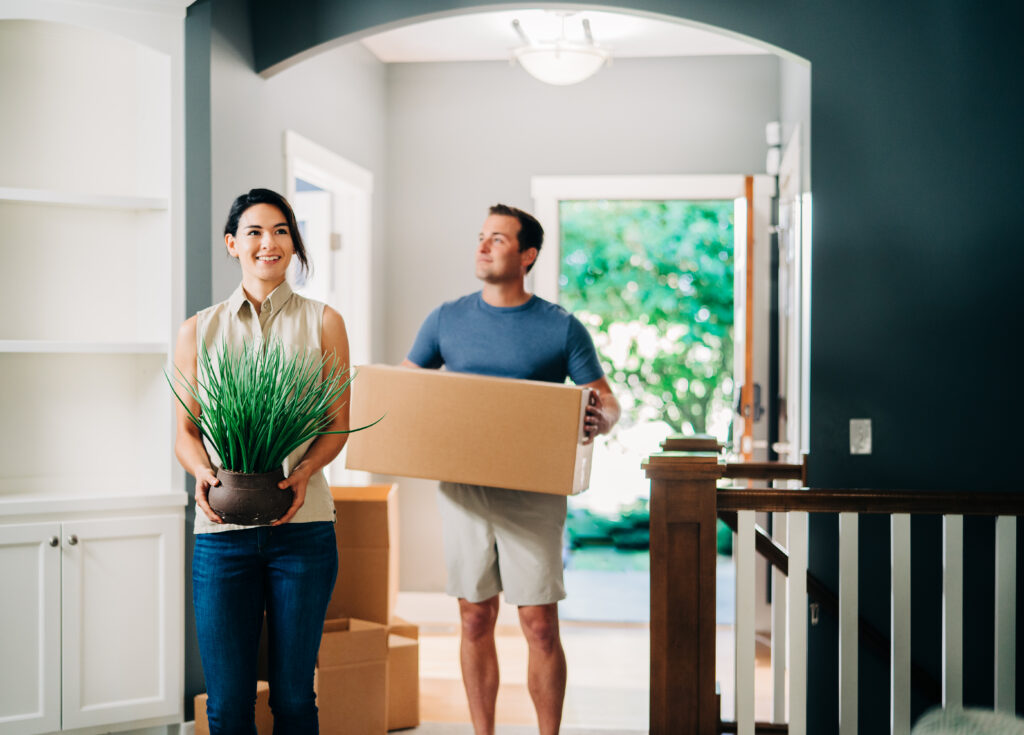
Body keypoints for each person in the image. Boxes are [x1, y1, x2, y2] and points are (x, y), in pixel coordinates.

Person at [402, 203, 620, 735]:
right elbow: (407, 390)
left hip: (535, 494)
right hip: (463, 493)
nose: (482, 246)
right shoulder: (446, 319)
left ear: (528, 255)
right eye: (480, 236)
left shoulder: (560, 327)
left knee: (539, 624)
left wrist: (598, 417)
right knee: (474, 616)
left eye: (497, 239)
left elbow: (607, 402)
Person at [173, 188, 350, 734]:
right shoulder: (199, 329)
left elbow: (337, 426)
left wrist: (300, 476)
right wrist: (205, 475)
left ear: (293, 243)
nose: (268, 243)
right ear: (232, 244)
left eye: (280, 230)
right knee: (227, 707)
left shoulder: (324, 322)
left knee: (295, 700)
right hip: (221, 532)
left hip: (304, 531)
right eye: (254, 232)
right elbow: (184, 430)